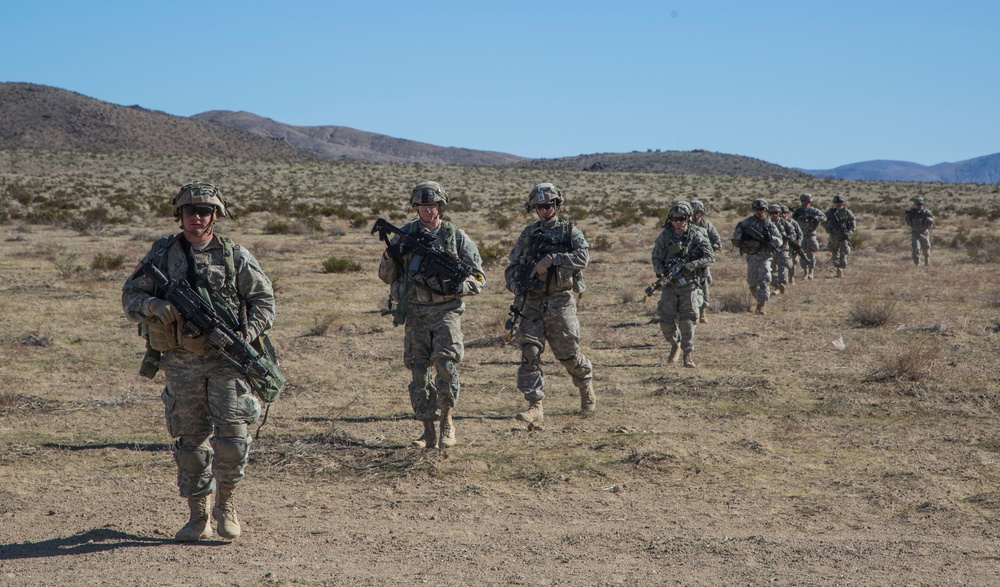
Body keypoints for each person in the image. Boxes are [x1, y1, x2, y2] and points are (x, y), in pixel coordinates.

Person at [122, 182, 275, 542]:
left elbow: (264, 302)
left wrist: (245, 335)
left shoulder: (235, 255)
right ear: (180, 216)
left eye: (205, 211)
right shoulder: (162, 254)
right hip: (180, 360)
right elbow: (131, 295)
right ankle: (197, 516)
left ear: (216, 215)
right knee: (190, 443)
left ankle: (227, 505)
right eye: (190, 211)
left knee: (233, 439)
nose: (197, 217)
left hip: (227, 360)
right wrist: (155, 306)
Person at [377, 181, 485, 449]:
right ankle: (427, 430)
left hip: (446, 311)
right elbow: (386, 276)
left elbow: (480, 278)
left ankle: (447, 421)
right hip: (415, 312)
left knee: (446, 366)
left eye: (432, 206)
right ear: (416, 207)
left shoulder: (455, 235)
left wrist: (458, 285)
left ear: (441, 206)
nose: (427, 211)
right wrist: (390, 258)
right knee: (418, 371)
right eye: (423, 206)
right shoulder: (404, 235)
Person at [505, 183, 594, 425]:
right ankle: (535, 405)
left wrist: (554, 259)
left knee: (568, 354)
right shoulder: (528, 234)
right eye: (538, 207)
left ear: (556, 205)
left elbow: (583, 257)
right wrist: (514, 286)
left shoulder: (569, 231)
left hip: (560, 300)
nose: (544, 210)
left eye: (548, 205)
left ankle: (585, 385)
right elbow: (511, 266)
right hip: (531, 301)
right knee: (530, 352)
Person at [651, 202, 715, 367]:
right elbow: (656, 257)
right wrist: (663, 272)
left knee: (687, 322)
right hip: (670, 285)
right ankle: (675, 345)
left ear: (687, 219)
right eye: (674, 219)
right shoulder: (665, 236)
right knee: (665, 322)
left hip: (690, 285)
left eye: (681, 219)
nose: (677, 222)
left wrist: (693, 264)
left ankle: (687, 355)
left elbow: (710, 257)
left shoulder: (697, 234)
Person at [731, 199, 783, 315]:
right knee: (752, 284)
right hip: (751, 256)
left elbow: (779, 241)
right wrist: (745, 241)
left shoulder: (769, 224)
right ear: (753, 210)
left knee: (764, 280)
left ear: (765, 210)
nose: (759, 212)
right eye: (757, 209)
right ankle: (759, 301)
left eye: (762, 210)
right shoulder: (746, 223)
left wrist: (769, 239)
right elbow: (735, 239)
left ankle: (762, 305)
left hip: (765, 256)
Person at [688, 200, 721, 324]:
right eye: (693, 212)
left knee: (704, 285)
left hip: (702, 262)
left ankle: (703, 311)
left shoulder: (706, 225)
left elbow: (717, 241)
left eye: (698, 212)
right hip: (688, 262)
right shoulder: (683, 226)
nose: (695, 215)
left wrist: (708, 251)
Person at [791, 193, 827, 280]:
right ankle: (805, 272)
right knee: (802, 253)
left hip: (811, 234)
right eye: (803, 201)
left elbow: (824, 218)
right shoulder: (798, 211)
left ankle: (811, 272)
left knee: (810, 253)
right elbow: (792, 222)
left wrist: (814, 217)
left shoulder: (814, 211)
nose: (804, 203)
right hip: (801, 235)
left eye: (806, 201)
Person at [824, 194, 857, 277]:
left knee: (844, 252)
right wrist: (828, 227)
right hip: (834, 236)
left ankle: (841, 269)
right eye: (837, 202)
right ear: (834, 203)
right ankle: (837, 268)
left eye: (840, 202)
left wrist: (850, 232)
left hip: (843, 236)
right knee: (834, 253)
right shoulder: (830, 212)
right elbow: (823, 220)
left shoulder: (847, 212)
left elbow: (853, 221)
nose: (839, 204)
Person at [768, 204, 793, 294]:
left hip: (783, 248)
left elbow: (792, 234)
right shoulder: (767, 224)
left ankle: (782, 284)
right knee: (772, 268)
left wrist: (787, 238)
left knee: (783, 266)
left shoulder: (785, 223)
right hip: (771, 249)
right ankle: (775, 286)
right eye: (772, 213)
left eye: (776, 213)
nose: (774, 215)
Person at [905, 197, 935, 266]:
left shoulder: (926, 212)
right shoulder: (912, 212)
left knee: (926, 247)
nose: (919, 206)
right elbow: (908, 220)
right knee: (916, 248)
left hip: (924, 232)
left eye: (920, 204)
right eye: (918, 204)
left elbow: (932, 220)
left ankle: (927, 262)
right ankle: (917, 263)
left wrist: (926, 219)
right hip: (915, 232)